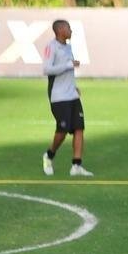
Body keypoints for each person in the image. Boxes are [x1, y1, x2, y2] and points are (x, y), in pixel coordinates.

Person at [42, 19, 93, 177]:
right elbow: (47, 69)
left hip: (72, 95)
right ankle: (49, 156)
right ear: (60, 30)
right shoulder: (51, 47)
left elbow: (67, 72)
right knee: (63, 130)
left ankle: (76, 166)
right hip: (59, 97)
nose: (71, 31)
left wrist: (74, 86)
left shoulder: (68, 47)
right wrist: (67, 65)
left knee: (79, 128)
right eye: (68, 28)